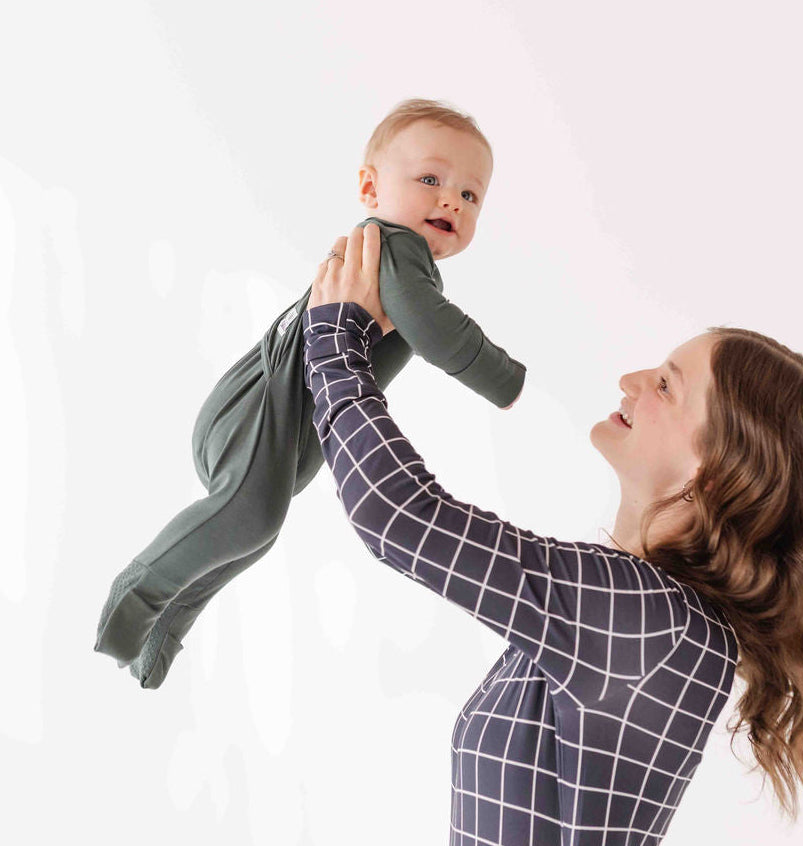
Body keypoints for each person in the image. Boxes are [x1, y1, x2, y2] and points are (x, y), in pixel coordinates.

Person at [302, 222, 803, 844]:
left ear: (718, 473)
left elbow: (397, 515)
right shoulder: (661, 621)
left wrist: (334, 338)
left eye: (666, 385)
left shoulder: (645, 617)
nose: (631, 381)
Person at [93, 99, 526, 689]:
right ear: (370, 188)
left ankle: (161, 635)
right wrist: (504, 379)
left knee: (254, 535)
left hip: (270, 428)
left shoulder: (400, 255)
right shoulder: (396, 247)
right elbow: (433, 329)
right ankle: (134, 598)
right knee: (247, 522)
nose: (452, 199)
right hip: (260, 412)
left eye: (471, 195)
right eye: (431, 179)